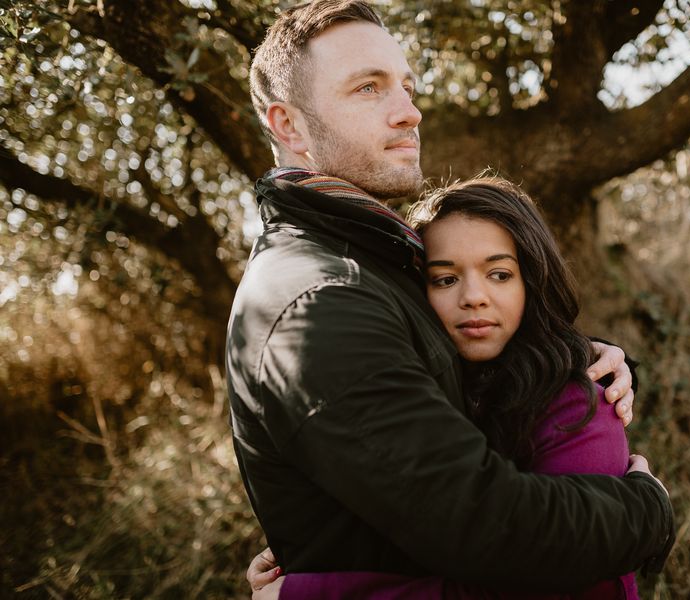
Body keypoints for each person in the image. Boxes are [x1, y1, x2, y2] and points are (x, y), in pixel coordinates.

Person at [227, 0, 674, 593]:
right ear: (288, 125)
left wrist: (572, 357)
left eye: (407, 89)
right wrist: (648, 509)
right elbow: (488, 528)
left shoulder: (377, 265)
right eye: (368, 88)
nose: (408, 113)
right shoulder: (321, 300)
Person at [247, 176, 659, 599]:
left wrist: (305, 595)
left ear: (531, 283)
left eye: (499, 274)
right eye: (445, 279)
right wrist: (317, 551)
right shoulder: (424, 394)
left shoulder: (581, 404)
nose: (473, 297)